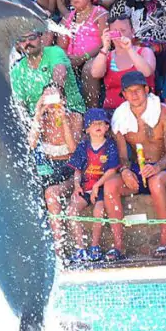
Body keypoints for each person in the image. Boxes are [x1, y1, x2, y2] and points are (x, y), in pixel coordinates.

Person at [108, 70, 166, 258]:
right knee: (111, 186)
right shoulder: (120, 117)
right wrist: (125, 170)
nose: (134, 95)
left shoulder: (165, 113)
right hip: (140, 167)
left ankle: (165, 243)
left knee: (155, 182)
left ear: (147, 89)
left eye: (138, 90)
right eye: (129, 91)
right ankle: (118, 247)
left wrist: (157, 167)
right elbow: (123, 155)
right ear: (123, 94)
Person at [65, 109, 122, 264]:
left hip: (102, 186)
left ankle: (94, 246)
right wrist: (77, 185)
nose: (98, 125)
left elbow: (112, 170)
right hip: (86, 187)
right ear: (87, 129)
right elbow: (77, 169)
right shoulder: (83, 146)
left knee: (99, 211)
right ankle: (80, 248)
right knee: (71, 210)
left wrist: (98, 185)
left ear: (107, 127)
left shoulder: (110, 145)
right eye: (94, 123)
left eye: (101, 123)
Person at [12, 28, 86, 114]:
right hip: (37, 117)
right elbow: (20, 105)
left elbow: (60, 70)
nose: (27, 42)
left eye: (32, 38)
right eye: (22, 40)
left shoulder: (55, 51)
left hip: (69, 110)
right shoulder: (16, 70)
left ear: (41, 38)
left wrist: (55, 87)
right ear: (18, 46)